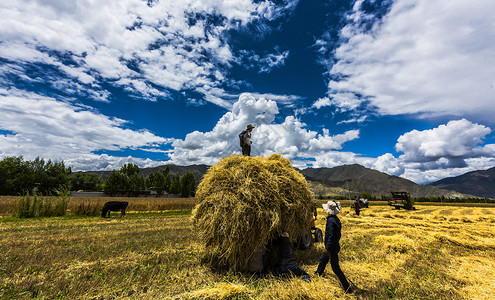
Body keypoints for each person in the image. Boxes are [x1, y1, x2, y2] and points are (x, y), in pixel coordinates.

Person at [315, 201, 352, 293]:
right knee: (323, 260)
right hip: (333, 246)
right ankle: (317, 274)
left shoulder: (331, 221)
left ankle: (348, 289)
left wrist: (328, 248)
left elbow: (332, 236)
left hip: (332, 247)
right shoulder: (334, 219)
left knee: (335, 268)